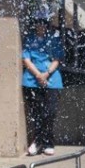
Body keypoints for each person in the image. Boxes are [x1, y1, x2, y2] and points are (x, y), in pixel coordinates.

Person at [21, 14, 64, 157]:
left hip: (52, 81)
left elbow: (57, 59)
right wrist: (38, 75)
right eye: (38, 24)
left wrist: (46, 74)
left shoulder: (54, 39)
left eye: (43, 24)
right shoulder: (30, 39)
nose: (41, 26)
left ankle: (47, 142)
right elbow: (26, 59)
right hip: (32, 81)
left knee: (50, 113)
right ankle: (38, 141)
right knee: (36, 113)